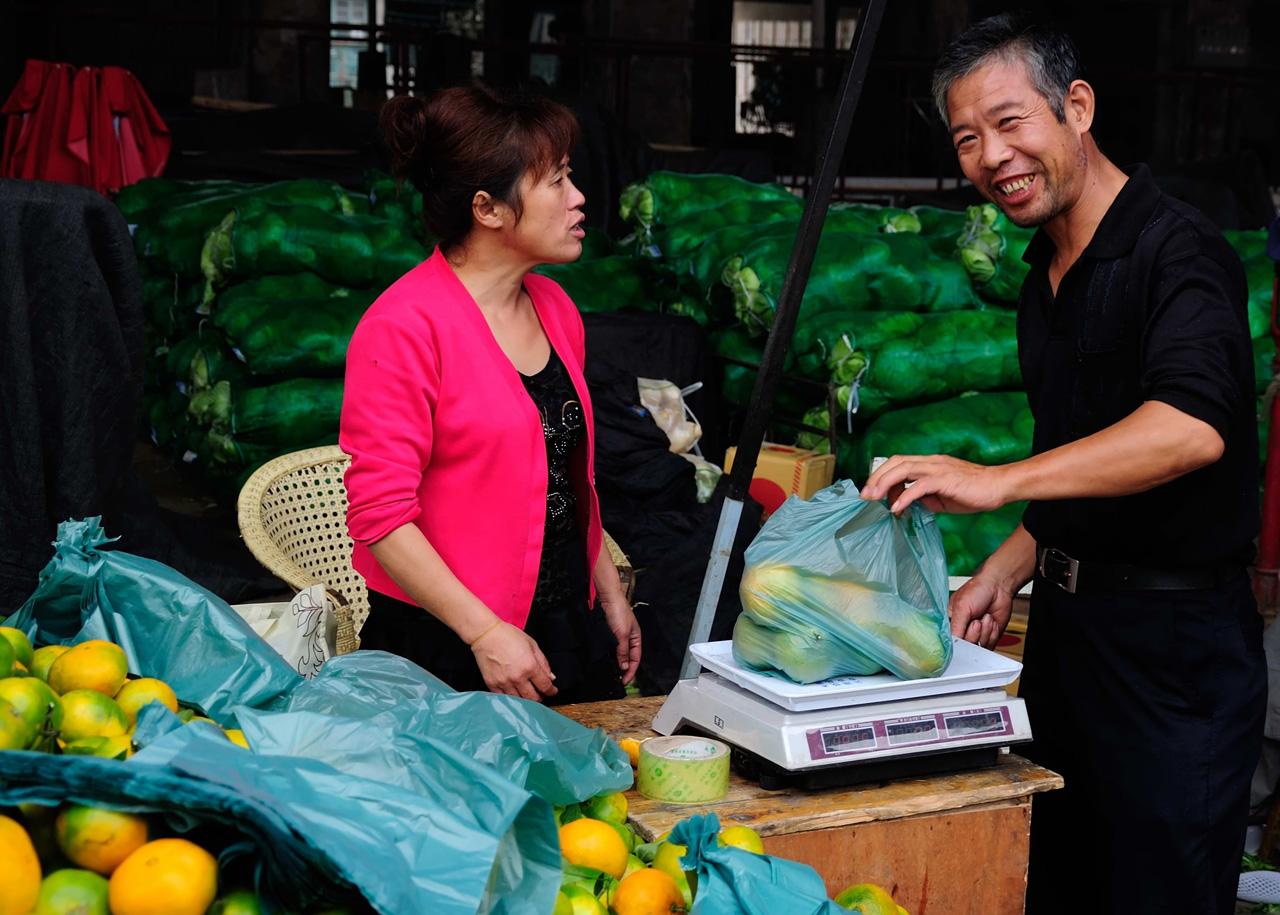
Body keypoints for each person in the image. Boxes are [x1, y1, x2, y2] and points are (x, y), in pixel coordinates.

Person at [860, 15, 1265, 915]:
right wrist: (1006, 565)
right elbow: (1080, 460)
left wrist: (996, 480)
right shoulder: (1045, 272)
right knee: (1053, 885)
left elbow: (1191, 428)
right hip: (1070, 648)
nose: (992, 156)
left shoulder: (1178, 251)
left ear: (1076, 107)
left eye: (1011, 123)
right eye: (968, 139)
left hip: (1174, 657)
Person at [339, 84, 641, 705]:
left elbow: (565, 477)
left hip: (562, 632)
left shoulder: (555, 309)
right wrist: (483, 632)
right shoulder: (403, 328)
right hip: (448, 647)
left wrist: (606, 585)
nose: (578, 198)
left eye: (570, 176)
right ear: (489, 209)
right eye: (556, 181)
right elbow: (381, 517)